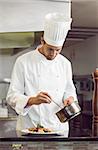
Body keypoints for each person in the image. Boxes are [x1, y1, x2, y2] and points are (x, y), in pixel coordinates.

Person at [6, 12, 78, 137]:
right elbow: (12, 96)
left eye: (58, 50)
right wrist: (32, 100)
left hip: (58, 128)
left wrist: (70, 99)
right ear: (42, 41)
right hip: (30, 128)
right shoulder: (23, 61)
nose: (54, 54)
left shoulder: (65, 63)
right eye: (50, 49)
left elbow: (69, 91)